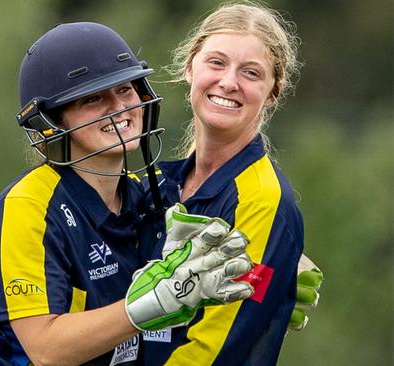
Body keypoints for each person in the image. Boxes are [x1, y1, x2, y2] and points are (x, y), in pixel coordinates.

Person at [0, 21, 255, 366]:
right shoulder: (28, 206)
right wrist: (154, 304)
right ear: (52, 122)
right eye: (93, 98)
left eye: (124, 90)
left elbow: (222, 235)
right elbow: (46, 349)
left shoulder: (143, 196)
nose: (118, 106)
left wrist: (271, 272)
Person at [137, 2, 318, 365]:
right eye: (216, 62)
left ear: (272, 92)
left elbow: (214, 351)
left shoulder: (262, 200)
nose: (229, 82)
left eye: (251, 73)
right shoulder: (157, 184)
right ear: (190, 68)